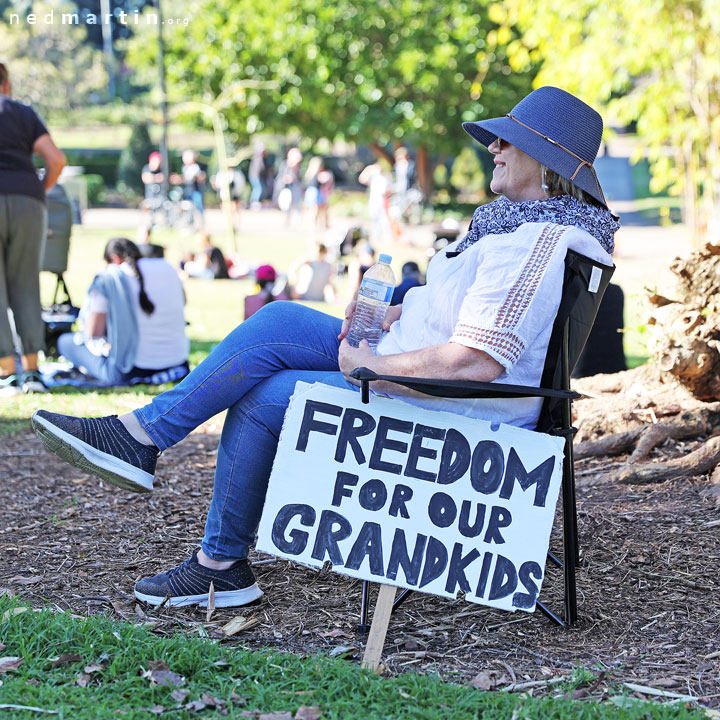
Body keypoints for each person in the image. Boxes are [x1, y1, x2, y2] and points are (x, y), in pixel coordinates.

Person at [32, 86, 618, 608]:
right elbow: (459, 316)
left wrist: (375, 369)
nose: (493, 146)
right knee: (280, 319)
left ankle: (219, 566)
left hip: (453, 402)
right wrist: (390, 313)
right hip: (414, 360)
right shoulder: (518, 224)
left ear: (545, 160)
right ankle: (141, 436)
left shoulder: (539, 239)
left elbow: (478, 359)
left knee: (268, 396)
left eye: (508, 141)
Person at [0, 63, 66, 396]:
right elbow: (55, 160)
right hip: (28, 200)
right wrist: (39, 192)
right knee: (26, 284)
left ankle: (6, 375)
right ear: (6, 85)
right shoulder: (24, 113)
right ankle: (33, 372)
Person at [56, 237, 189, 386]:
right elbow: (183, 302)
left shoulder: (110, 278)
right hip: (178, 364)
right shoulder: (167, 268)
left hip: (130, 369)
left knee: (65, 342)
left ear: (114, 258)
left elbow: (94, 332)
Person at [141, 152, 165, 226]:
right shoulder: (146, 168)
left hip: (160, 196)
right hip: (150, 195)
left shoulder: (162, 169)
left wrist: (153, 178)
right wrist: (156, 177)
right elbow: (146, 178)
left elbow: (163, 178)